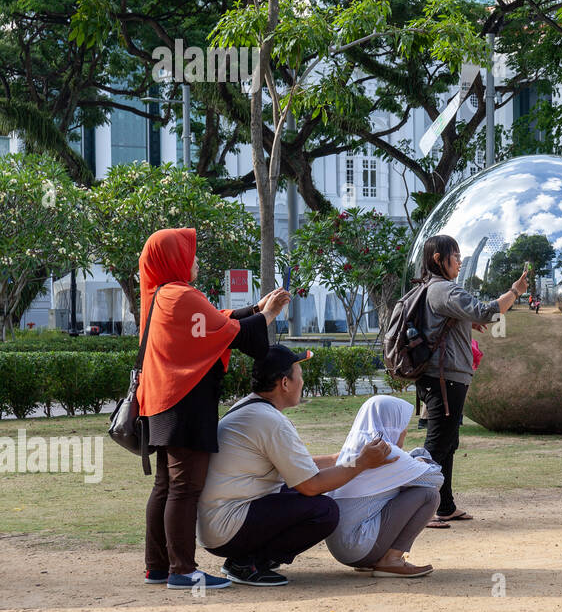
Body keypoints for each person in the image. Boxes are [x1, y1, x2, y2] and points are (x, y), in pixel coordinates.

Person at [137, 227, 289, 591]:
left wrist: (255, 308)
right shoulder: (181, 295)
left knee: (166, 486)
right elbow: (228, 332)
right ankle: (182, 570)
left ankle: (158, 566)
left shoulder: (163, 293)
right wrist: (265, 316)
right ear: (173, 258)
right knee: (185, 488)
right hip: (185, 402)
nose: (195, 261)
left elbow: (214, 319)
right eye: (189, 253)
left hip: (162, 402)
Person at [197, 346, 397, 585]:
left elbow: (300, 467)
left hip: (218, 523)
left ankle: (245, 559)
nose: (302, 381)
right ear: (284, 383)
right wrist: (363, 462)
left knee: (310, 493)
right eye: (299, 374)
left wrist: (340, 459)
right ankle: (248, 563)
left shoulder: (251, 409)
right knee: (324, 510)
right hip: (228, 527)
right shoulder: (270, 421)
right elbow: (311, 485)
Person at [417, 235, 527, 525]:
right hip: (444, 378)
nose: (460, 260)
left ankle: (444, 505)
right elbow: (487, 311)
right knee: (437, 445)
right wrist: (514, 291)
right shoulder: (444, 289)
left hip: (445, 376)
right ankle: (419, 508)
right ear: (439, 260)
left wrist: (467, 321)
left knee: (448, 443)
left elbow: (460, 318)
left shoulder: (433, 289)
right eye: (455, 255)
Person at [325, 395, 443, 577]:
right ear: (392, 422)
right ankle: (391, 560)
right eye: (402, 425)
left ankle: (376, 560)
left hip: (343, 547)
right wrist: (421, 458)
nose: (404, 432)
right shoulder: (384, 450)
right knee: (429, 494)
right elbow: (435, 480)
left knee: (405, 487)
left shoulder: (355, 447)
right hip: (358, 547)